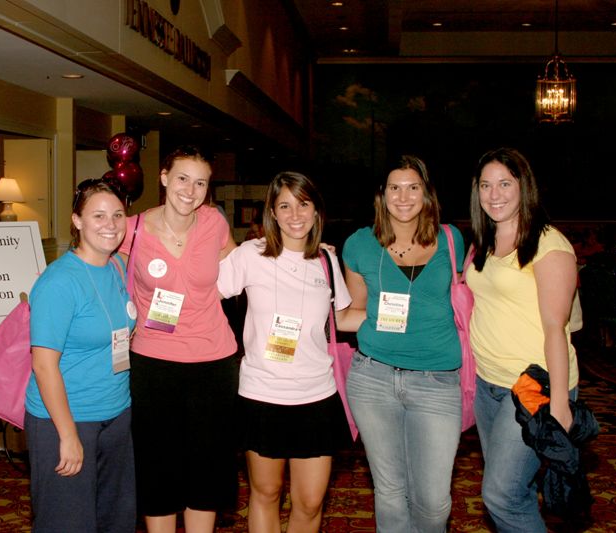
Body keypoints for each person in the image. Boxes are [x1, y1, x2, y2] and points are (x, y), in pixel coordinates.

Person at [217, 171, 364, 533]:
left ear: (316, 212)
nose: (295, 214)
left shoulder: (327, 262)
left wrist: (403, 316)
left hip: (316, 396)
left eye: (303, 204)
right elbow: (206, 295)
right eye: (285, 205)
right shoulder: (250, 255)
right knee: (265, 493)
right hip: (261, 394)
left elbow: (343, 317)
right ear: (272, 212)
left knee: (310, 502)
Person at [341, 155, 465, 533]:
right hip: (373, 378)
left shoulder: (451, 238)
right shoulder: (360, 243)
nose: (404, 196)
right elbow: (354, 311)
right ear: (382, 195)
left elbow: (466, 300)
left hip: (437, 382)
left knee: (433, 500)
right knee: (390, 491)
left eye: (413, 187)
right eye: (394, 187)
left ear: (427, 194)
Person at [119, 145, 239, 533]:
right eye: (183, 178)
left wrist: (304, 255)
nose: (190, 190)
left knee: (208, 461)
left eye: (200, 182)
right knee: (158, 461)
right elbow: (98, 267)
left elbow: (240, 266)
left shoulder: (214, 223)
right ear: (164, 177)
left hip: (214, 360)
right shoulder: (131, 229)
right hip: (154, 362)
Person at [465, 147, 580, 532]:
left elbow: (555, 329)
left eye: (504, 184)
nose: (494, 194)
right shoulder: (483, 241)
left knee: (501, 494)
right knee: (517, 492)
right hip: (488, 385)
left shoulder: (550, 246)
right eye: (485, 185)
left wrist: (560, 403)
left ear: (523, 187)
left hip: (534, 387)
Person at [24, 177, 136, 532]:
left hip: (116, 415)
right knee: (67, 523)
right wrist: (67, 435)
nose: (110, 225)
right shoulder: (59, 282)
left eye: (118, 215)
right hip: (66, 419)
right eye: (98, 216)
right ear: (77, 221)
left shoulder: (117, 266)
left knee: (113, 521)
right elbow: (43, 366)